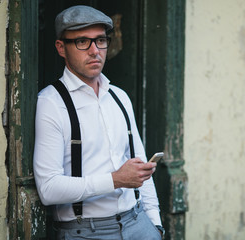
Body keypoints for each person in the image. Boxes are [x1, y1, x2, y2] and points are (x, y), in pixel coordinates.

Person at [33, 5, 164, 240]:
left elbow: (140, 168)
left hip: (138, 223)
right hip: (86, 231)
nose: (95, 51)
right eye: (83, 41)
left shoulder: (119, 97)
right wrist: (116, 180)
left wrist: (155, 224)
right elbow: (48, 188)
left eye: (101, 40)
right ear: (61, 47)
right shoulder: (51, 102)